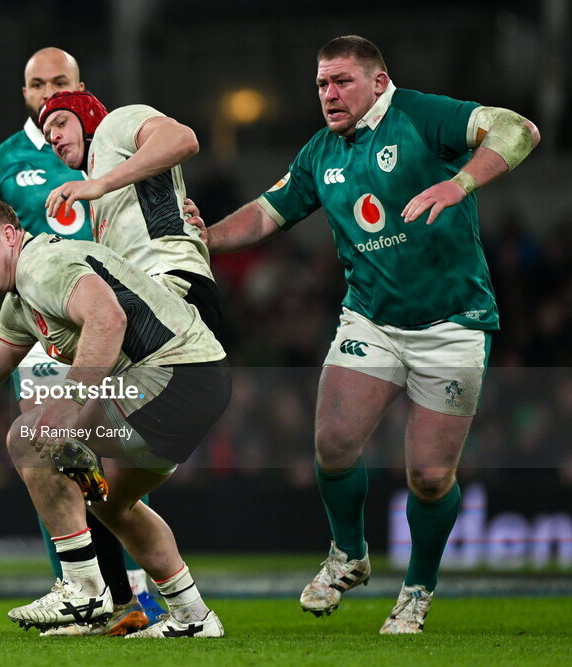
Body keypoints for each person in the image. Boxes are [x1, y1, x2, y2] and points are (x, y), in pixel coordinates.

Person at [197, 35, 540, 634]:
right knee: (333, 443)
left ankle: (417, 590)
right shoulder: (320, 151)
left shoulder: (422, 116)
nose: (329, 94)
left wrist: (459, 183)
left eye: (342, 81)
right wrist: (202, 240)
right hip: (371, 319)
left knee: (430, 477)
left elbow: (520, 130)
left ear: (379, 81)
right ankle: (348, 555)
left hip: (453, 323)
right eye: (322, 84)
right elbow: (266, 213)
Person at [0, 196, 232, 638]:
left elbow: (107, 318)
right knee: (111, 503)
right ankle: (193, 616)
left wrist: (69, 402)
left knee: (28, 437)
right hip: (197, 381)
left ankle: (83, 589)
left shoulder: (43, 265)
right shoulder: (20, 304)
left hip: (176, 377)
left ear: (11, 235)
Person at [0, 47, 162, 635]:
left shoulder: (101, 149)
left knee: (106, 463)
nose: (48, 93)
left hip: (101, 320)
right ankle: (81, 594)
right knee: (50, 458)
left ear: (80, 86)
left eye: (60, 83)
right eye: (37, 84)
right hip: (36, 329)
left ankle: (134, 599)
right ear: (24, 93)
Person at [38, 90, 225, 343]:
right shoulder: (96, 174)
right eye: (49, 137)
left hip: (170, 284)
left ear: (88, 116)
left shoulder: (114, 124)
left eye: (61, 123)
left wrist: (102, 184)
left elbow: (182, 139)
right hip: (158, 290)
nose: (55, 137)